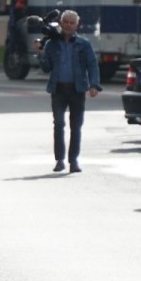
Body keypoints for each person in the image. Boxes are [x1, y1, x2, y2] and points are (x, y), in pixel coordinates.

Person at [38, 10, 101, 172]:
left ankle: (73, 161)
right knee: (59, 124)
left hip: (77, 90)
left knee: (76, 126)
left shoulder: (83, 44)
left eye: (72, 23)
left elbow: (92, 65)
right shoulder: (52, 44)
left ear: (77, 25)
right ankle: (60, 160)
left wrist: (94, 85)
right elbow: (46, 68)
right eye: (65, 22)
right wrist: (40, 52)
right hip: (58, 89)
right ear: (60, 23)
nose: (68, 25)